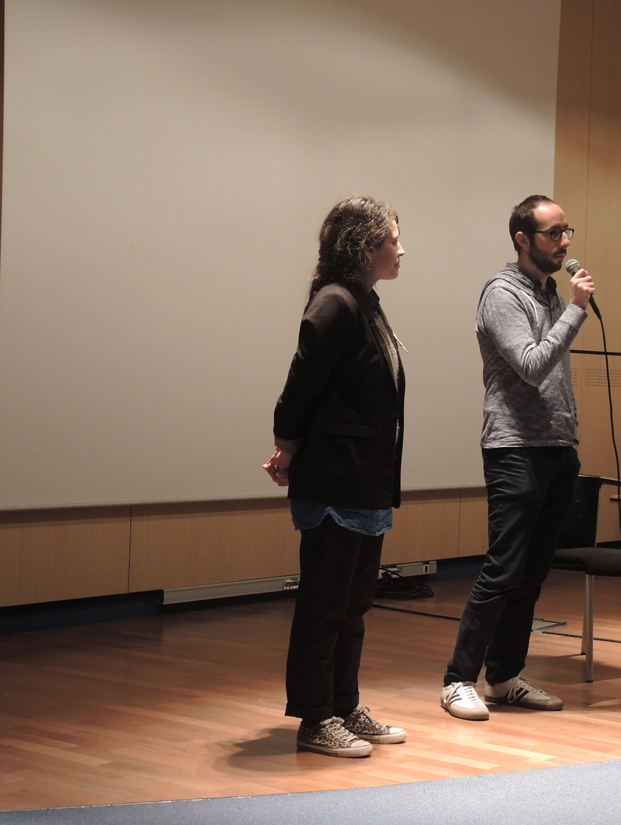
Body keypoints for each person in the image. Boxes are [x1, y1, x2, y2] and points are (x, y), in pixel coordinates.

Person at [441, 195, 594, 721]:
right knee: (503, 571)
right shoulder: (502, 294)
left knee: (531, 576)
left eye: (567, 231)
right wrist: (576, 310)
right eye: (554, 233)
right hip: (515, 450)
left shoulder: (549, 293)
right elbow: (531, 365)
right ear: (523, 240)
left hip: (556, 448)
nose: (565, 242)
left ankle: (504, 677)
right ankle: (458, 680)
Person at [264, 195, 407, 757]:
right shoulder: (335, 303)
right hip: (335, 480)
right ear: (365, 247)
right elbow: (301, 386)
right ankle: (314, 717)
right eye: (393, 239)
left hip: (363, 481)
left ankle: (344, 705)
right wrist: (287, 446)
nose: (401, 250)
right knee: (324, 606)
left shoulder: (363, 302)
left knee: (354, 605)